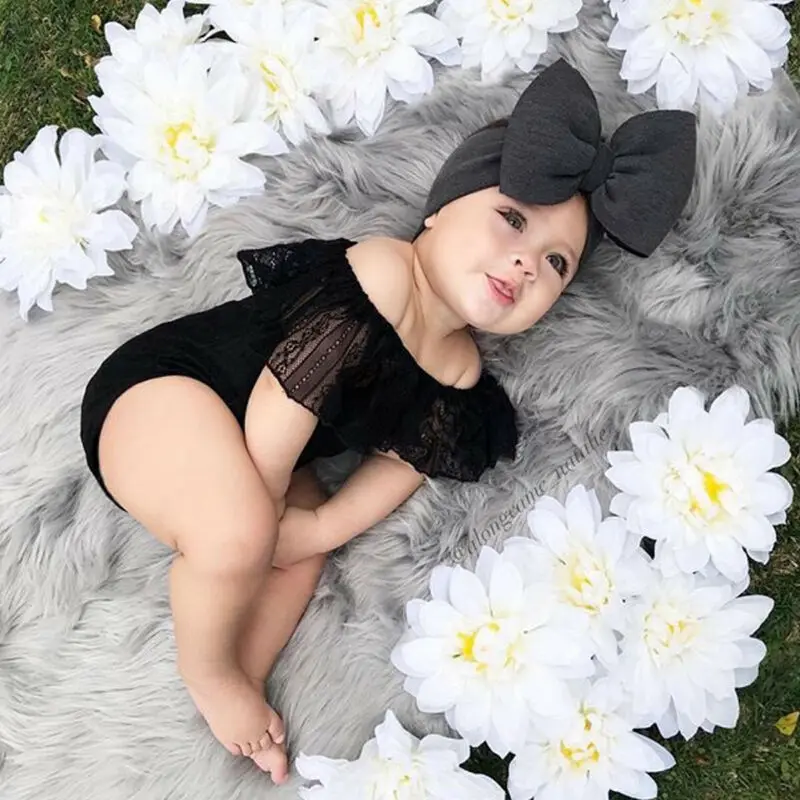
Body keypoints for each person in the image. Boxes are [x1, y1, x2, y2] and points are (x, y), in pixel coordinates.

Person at [78, 59, 696, 784]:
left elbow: (397, 470)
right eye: (511, 220)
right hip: (168, 392)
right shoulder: (381, 271)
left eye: (555, 263)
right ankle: (210, 674)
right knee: (243, 531)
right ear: (439, 210)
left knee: (299, 557)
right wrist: (266, 506)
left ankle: (245, 672)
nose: (525, 262)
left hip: (266, 452)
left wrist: (318, 528)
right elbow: (285, 396)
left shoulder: (459, 373)